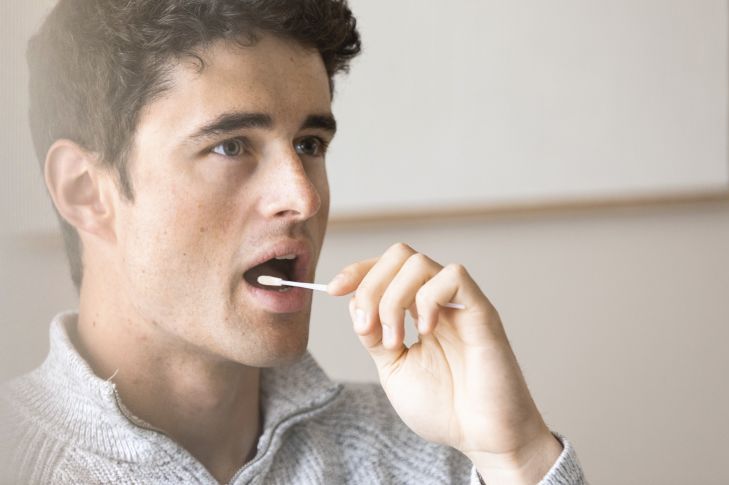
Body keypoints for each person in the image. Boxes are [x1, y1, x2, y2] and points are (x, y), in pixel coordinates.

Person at [0, 1, 586, 483]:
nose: (303, 199)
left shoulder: (437, 451)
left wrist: (515, 456)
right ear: (85, 192)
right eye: (231, 146)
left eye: (310, 143)